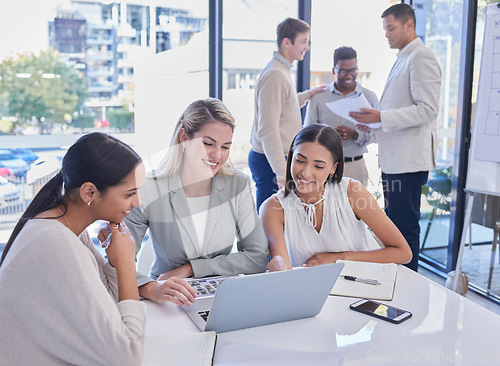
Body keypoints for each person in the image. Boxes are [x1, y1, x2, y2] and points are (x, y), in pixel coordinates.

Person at [99, 98, 269, 305]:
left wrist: (191, 268)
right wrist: (152, 289)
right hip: (168, 298)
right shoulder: (148, 188)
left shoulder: (238, 185)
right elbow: (118, 264)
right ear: (184, 138)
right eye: (207, 143)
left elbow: (258, 257)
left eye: (225, 146)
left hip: (223, 297)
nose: (217, 155)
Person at [0, 133, 148, 365]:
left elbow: (110, 309)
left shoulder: (68, 227)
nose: (137, 202)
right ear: (89, 192)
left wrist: (115, 263)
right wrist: (127, 263)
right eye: (129, 194)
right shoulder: (53, 241)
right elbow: (127, 357)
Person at [349, 3, 441, 271]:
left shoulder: (421, 57)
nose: (386, 34)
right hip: (396, 160)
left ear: (409, 24)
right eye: (385, 29)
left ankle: (408, 283)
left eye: (391, 28)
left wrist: (381, 117)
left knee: (404, 228)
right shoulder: (403, 58)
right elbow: (398, 112)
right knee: (395, 226)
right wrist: (374, 125)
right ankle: (399, 279)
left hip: (408, 162)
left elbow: (428, 110)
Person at [260, 124, 412, 271]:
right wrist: (279, 266)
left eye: (318, 166)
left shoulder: (352, 192)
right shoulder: (273, 208)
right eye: (300, 160)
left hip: (367, 283)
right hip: (314, 290)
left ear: (333, 168)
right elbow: (283, 267)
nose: (305, 173)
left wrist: (339, 258)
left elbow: (403, 252)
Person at [249, 17, 326, 211]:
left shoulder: (281, 70)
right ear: (286, 42)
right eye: (303, 41)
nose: (307, 47)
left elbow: (284, 105)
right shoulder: (275, 75)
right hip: (269, 160)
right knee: (271, 225)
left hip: (274, 158)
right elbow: (267, 130)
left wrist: (308, 95)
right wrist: (282, 173)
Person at [304, 46, 379, 186]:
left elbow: (378, 134)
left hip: (355, 166)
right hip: (323, 167)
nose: (349, 75)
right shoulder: (319, 97)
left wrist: (355, 135)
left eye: (353, 70)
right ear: (334, 70)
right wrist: (327, 136)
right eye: (343, 71)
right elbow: (307, 133)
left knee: (356, 207)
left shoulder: (369, 97)